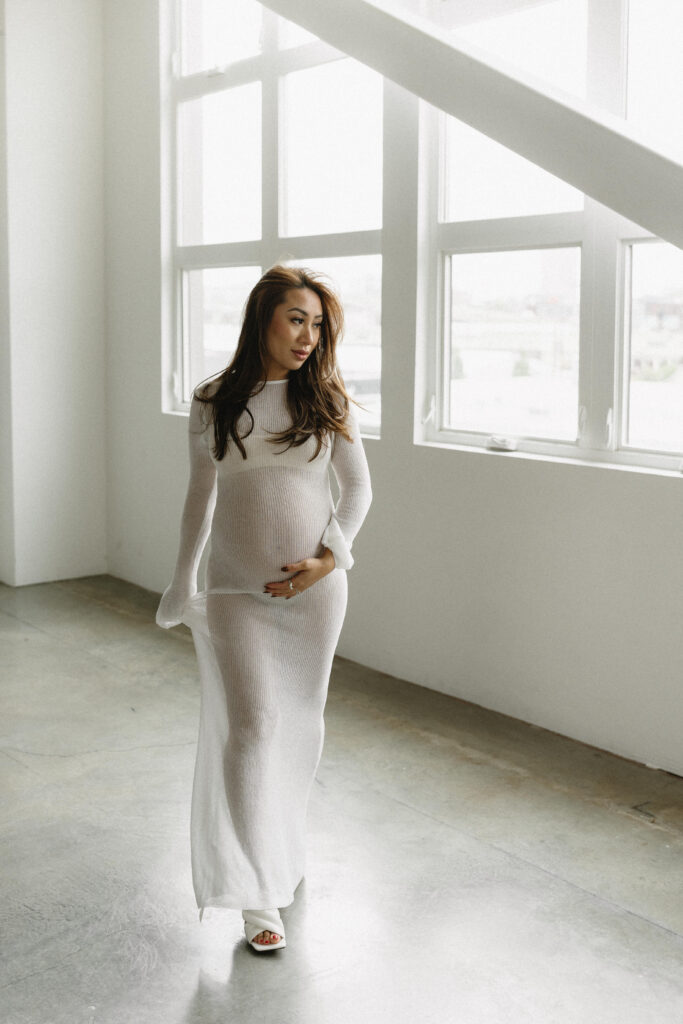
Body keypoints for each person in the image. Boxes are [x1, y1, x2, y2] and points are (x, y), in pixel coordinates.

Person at [155, 264, 372, 952]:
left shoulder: (327, 397)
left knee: (300, 726)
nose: (308, 336)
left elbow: (358, 489)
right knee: (251, 726)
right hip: (234, 592)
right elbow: (200, 499)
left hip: (316, 596)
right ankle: (255, 895)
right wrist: (181, 580)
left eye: (317, 323)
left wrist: (329, 557)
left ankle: (282, 845)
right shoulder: (215, 399)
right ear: (263, 320)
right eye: (295, 319)